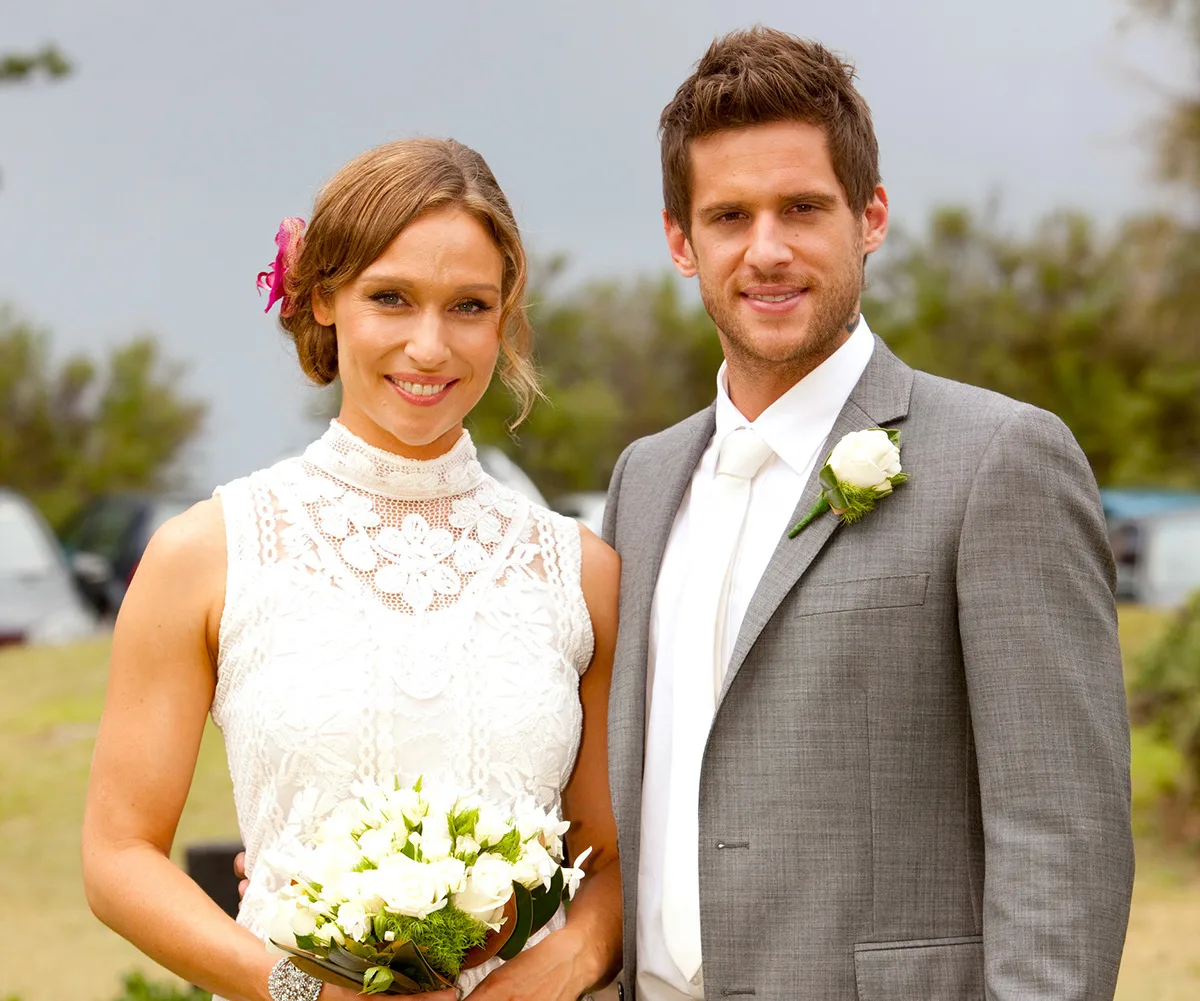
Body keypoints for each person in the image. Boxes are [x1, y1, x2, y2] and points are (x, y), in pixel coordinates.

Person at [602, 27, 1134, 1001]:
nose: (767, 250)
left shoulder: (1000, 459)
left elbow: (1061, 825)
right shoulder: (642, 480)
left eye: (802, 207)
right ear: (681, 241)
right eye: (729, 216)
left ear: (870, 215)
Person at [81, 137, 622, 1001]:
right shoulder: (208, 551)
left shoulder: (580, 572)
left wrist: (565, 965)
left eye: (469, 306)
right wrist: (310, 991)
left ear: (506, 316)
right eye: (391, 298)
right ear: (324, 297)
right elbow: (117, 856)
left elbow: (607, 863)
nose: (430, 346)